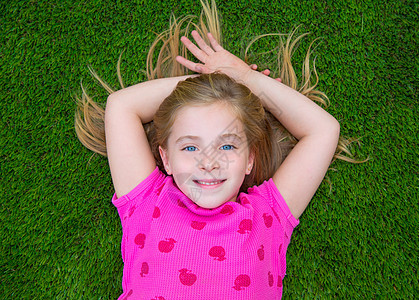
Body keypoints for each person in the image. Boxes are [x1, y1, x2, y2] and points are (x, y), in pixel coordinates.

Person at [75, 1, 359, 298]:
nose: (208, 162)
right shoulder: (147, 202)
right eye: (189, 146)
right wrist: (220, 82)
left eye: (226, 145)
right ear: (166, 158)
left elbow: (323, 130)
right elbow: (120, 106)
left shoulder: (268, 216)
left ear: (249, 159)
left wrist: (246, 80)